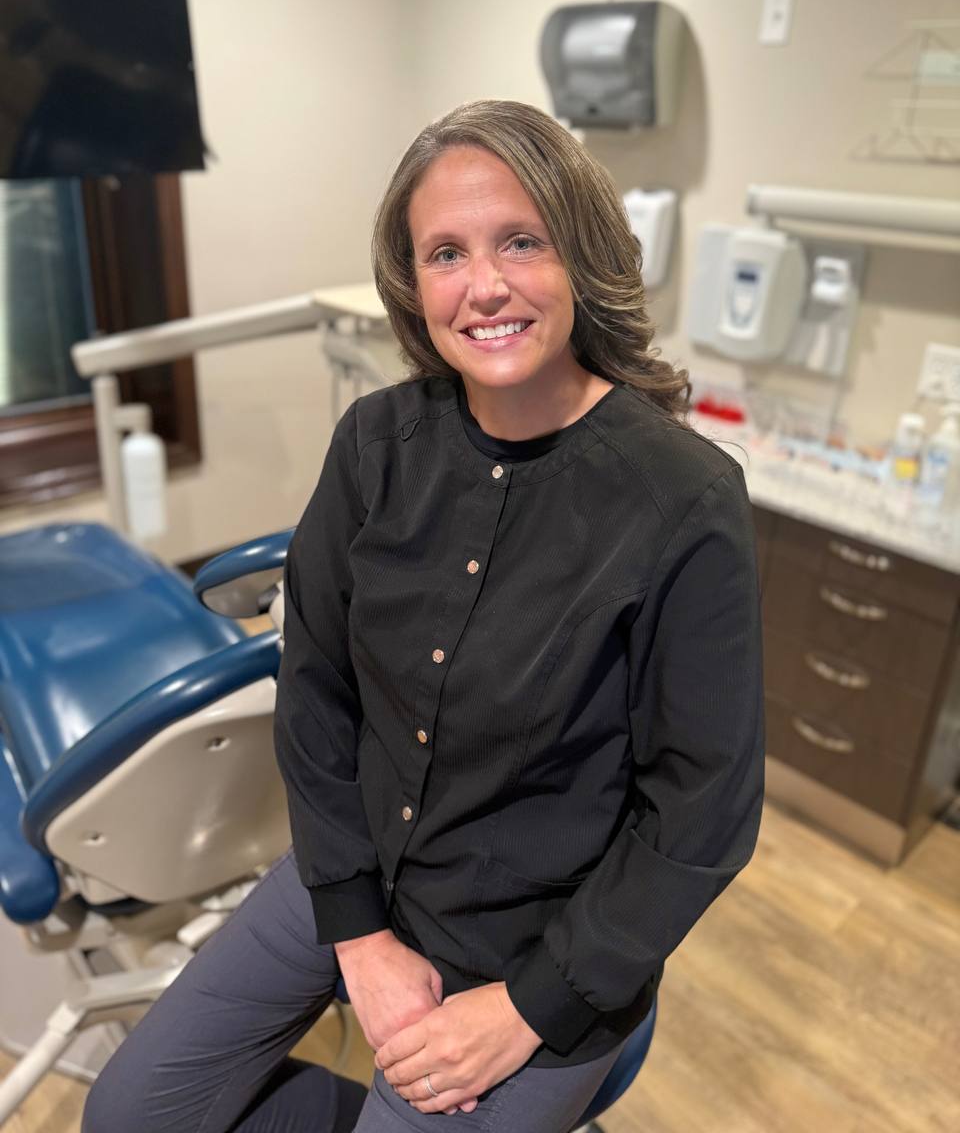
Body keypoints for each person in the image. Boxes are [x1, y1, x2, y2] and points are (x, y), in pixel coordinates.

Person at [82, 99, 764, 1133]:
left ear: (580, 253)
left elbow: (701, 815)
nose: (483, 285)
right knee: (131, 1113)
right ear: (412, 280)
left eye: (521, 241)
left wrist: (526, 1007)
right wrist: (361, 934)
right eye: (446, 252)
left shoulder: (683, 498)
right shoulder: (375, 445)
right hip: (362, 876)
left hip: (538, 950)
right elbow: (315, 690)